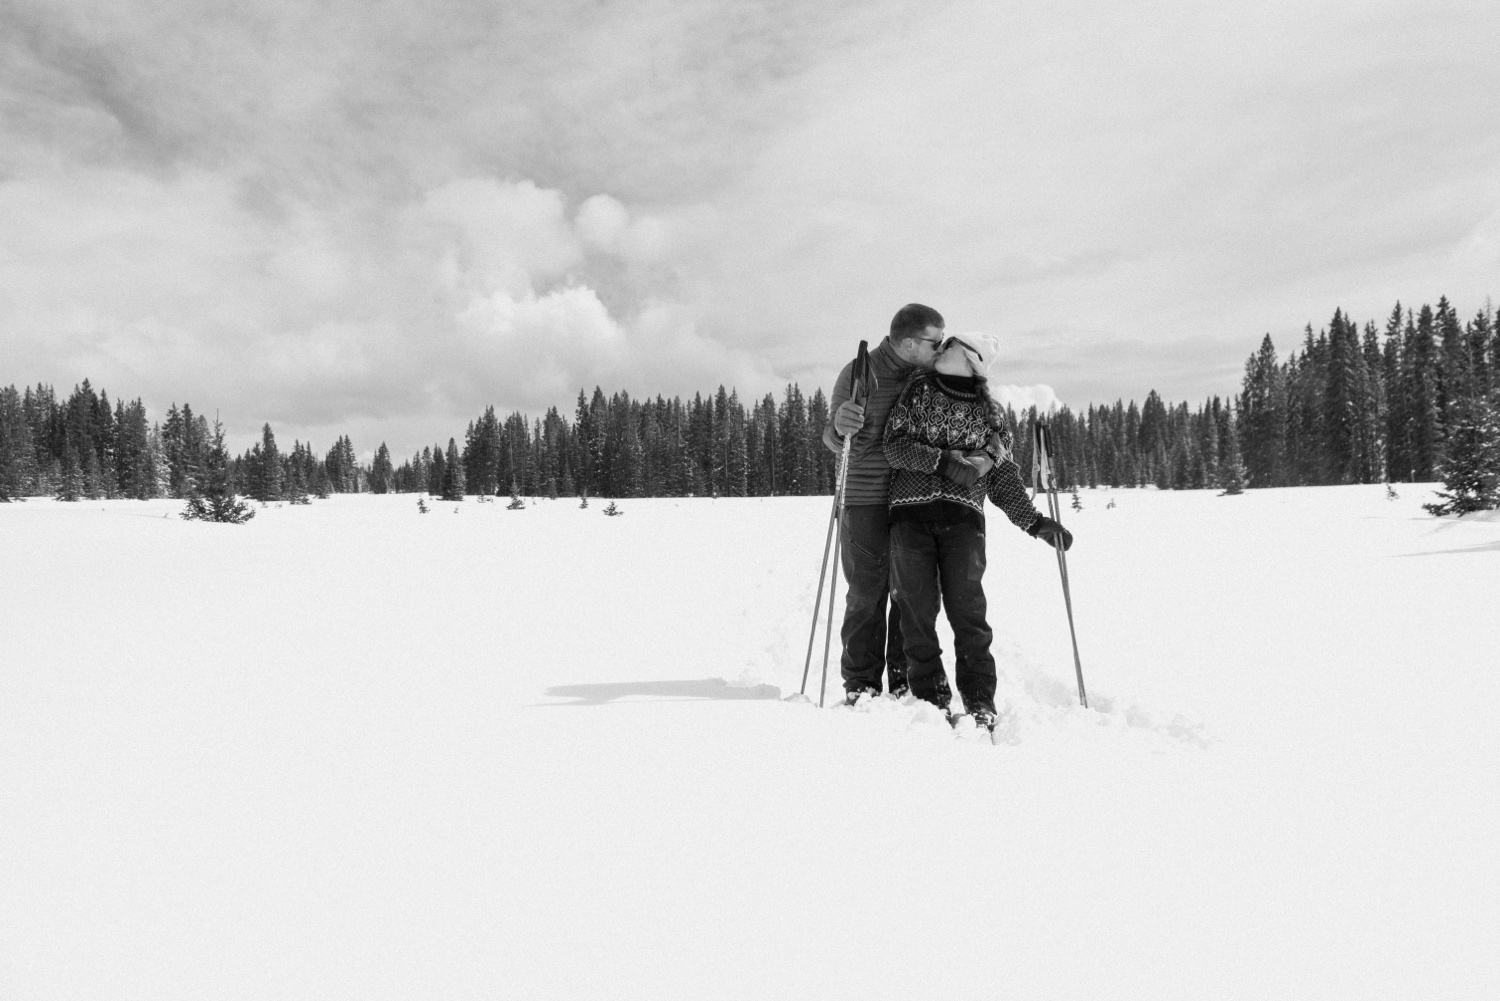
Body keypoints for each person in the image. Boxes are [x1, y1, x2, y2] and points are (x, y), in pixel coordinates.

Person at [882, 331, 1073, 730]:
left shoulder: (992, 417)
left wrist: (1036, 523)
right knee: (916, 613)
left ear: (970, 362)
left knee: (969, 615)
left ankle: (980, 701)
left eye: (949, 345)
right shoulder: (917, 393)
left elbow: (1003, 480)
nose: (940, 349)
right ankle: (930, 701)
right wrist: (942, 461)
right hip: (909, 517)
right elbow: (894, 446)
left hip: (964, 524)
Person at [823, 304, 946, 703]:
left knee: (911, 593)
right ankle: (861, 683)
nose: (940, 349)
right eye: (935, 341)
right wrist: (840, 425)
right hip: (865, 500)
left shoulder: (927, 377)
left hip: (913, 500)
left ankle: (903, 677)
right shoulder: (860, 373)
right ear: (910, 342)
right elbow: (832, 438)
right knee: (866, 593)